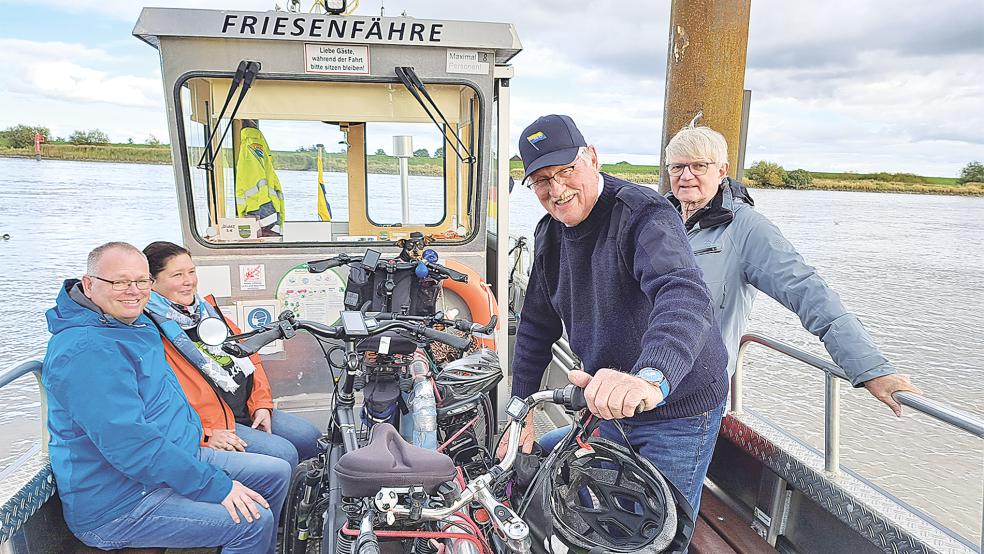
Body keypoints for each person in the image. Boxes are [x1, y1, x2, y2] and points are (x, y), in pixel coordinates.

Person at [507, 114, 730, 516]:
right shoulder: (548, 235)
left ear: (592, 157)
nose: (556, 190)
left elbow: (682, 293)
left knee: (651, 533)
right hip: (607, 401)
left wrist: (650, 378)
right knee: (565, 495)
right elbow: (535, 327)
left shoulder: (643, 213)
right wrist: (520, 409)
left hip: (678, 404)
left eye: (566, 170)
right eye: (541, 180)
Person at [42, 242, 290, 553]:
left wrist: (202, 434)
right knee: (253, 521)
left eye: (141, 281)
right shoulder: (86, 351)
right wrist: (215, 485)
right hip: (120, 501)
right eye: (119, 282)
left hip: (176, 458)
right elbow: (131, 445)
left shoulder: (133, 324)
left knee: (276, 473)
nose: (133, 291)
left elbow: (167, 401)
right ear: (89, 284)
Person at [663, 125, 920, 415]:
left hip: (693, 400)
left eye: (698, 166)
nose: (686, 176)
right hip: (632, 389)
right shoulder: (655, 222)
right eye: (677, 167)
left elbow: (808, 292)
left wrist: (870, 367)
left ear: (721, 171)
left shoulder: (746, 229)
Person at [143, 240, 321, 468]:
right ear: (152, 281)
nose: (189, 281)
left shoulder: (207, 312)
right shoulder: (150, 331)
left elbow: (251, 357)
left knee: (310, 437)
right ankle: (272, 501)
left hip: (247, 407)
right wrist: (204, 434)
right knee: (283, 453)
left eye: (191, 271)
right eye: (177, 275)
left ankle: (306, 499)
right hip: (213, 424)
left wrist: (262, 405)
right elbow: (158, 405)